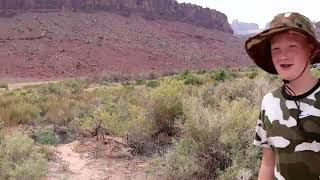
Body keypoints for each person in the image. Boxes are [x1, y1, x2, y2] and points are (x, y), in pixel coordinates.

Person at [245, 12, 320, 180]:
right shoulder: (269, 102)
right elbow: (268, 162)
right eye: (276, 49)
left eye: (292, 47)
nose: (283, 56)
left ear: (311, 50)